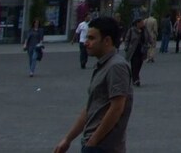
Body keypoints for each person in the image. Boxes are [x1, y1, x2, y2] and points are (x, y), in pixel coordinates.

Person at [53, 17, 133, 153]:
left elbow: (117, 107)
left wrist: (94, 141)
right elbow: (91, 107)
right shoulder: (103, 65)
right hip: (94, 145)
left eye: (91, 38)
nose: (86, 42)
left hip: (104, 147)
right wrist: (68, 139)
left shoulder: (116, 66)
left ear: (107, 41)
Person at [120, 17, 153, 87]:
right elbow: (127, 39)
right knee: (134, 65)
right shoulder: (132, 30)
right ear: (137, 23)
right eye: (141, 22)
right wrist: (126, 46)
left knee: (139, 65)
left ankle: (135, 78)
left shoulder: (144, 30)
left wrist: (151, 42)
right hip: (133, 50)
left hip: (142, 50)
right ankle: (136, 79)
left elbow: (149, 37)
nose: (143, 23)